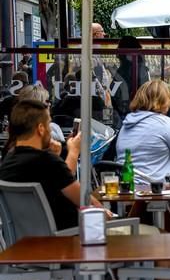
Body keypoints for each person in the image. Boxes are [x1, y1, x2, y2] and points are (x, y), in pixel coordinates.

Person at [0, 99, 109, 231]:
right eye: (48, 124)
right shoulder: (47, 161)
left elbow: (58, 179)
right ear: (40, 129)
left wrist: (56, 156)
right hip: (64, 241)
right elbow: (88, 202)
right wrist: (74, 151)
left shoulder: (8, 159)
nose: (50, 130)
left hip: (25, 243)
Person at [116, 80, 170, 183]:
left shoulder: (127, 123)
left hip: (126, 188)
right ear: (164, 101)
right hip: (155, 191)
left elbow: (150, 139)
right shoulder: (165, 124)